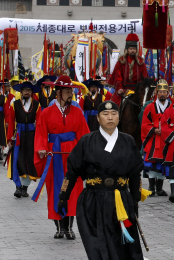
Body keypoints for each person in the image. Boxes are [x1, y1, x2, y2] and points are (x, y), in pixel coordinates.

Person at [59, 99, 145, 259]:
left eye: (114, 113)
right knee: (96, 246)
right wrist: (63, 196)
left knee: (122, 247)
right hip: (93, 200)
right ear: (98, 118)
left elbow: (135, 173)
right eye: (105, 114)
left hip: (120, 202)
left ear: (119, 117)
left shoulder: (128, 141)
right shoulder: (87, 141)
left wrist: (134, 200)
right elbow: (72, 172)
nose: (110, 117)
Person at [33, 75, 90, 240]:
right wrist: (42, 149)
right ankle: (59, 227)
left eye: (70, 90)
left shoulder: (77, 112)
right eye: (66, 91)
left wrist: (83, 153)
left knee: (73, 189)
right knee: (55, 188)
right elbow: (41, 133)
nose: (70, 94)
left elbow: (83, 134)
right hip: (54, 154)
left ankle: (70, 228)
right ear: (58, 92)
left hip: (71, 153)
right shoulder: (47, 112)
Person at [6, 80, 41, 198]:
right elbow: (11, 122)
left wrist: (40, 139)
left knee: (29, 161)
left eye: (29, 90)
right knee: (18, 160)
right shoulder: (14, 104)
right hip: (19, 135)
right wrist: (10, 139)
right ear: (21, 92)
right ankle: (18, 187)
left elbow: (40, 123)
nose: (27, 92)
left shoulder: (37, 105)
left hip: (32, 136)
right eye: (25, 90)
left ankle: (25, 188)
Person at [141, 79, 171, 197]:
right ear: (156, 93)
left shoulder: (171, 106)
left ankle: (159, 188)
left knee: (163, 164)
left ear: (168, 93)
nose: (162, 94)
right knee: (152, 164)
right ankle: (151, 187)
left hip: (166, 139)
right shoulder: (150, 107)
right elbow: (144, 123)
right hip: (154, 139)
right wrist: (154, 129)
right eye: (160, 92)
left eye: (165, 92)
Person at [108, 33, 149, 105]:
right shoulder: (121, 62)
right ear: (127, 50)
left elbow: (144, 78)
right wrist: (119, 88)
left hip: (138, 90)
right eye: (130, 49)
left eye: (134, 49)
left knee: (145, 104)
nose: (132, 51)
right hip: (123, 90)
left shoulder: (141, 62)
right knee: (114, 106)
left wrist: (140, 88)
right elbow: (118, 77)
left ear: (136, 50)